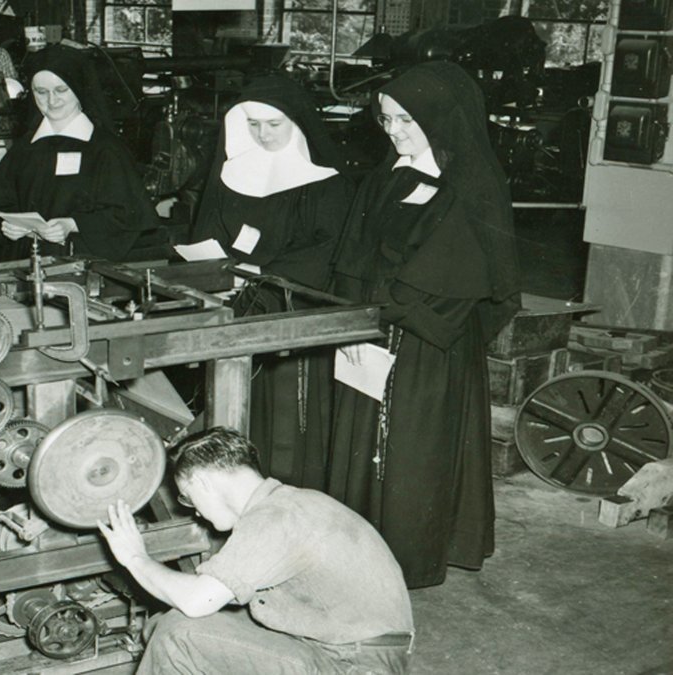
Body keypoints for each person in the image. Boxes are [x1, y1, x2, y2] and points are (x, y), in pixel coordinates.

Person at [327, 62, 521, 589]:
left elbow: (468, 273)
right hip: (373, 327)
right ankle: (357, 547)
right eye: (386, 120)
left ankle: (408, 554)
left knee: (413, 449)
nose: (393, 132)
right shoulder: (386, 175)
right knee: (364, 441)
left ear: (440, 120)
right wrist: (351, 315)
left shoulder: (471, 185)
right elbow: (354, 254)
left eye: (406, 121)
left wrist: (388, 306)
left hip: (427, 341)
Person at [98, 427, 414, 674]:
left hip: (354, 665)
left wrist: (135, 558)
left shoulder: (275, 519)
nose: (194, 511)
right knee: (164, 623)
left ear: (202, 483)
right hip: (351, 647)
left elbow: (197, 601)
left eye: (188, 497)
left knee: (177, 634)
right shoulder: (291, 502)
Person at [192, 75, 354, 490]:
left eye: (273, 124)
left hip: (289, 308)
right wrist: (215, 268)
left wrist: (262, 274)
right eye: (253, 124)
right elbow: (209, 228)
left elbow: (326, 248)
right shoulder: (233, 171)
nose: (262, 134)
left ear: (297, 122)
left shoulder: (326, 181)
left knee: (284, 419)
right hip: (233, 299)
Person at [0, 46, 165, 262]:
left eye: (61, 90)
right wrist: (6, 226)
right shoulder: (23, 150)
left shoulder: (105, 149)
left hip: (81, 263)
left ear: (79, 89)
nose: (52, 101)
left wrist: (73, 224)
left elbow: (128, 215)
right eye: (41, 92)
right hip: (26, 261)